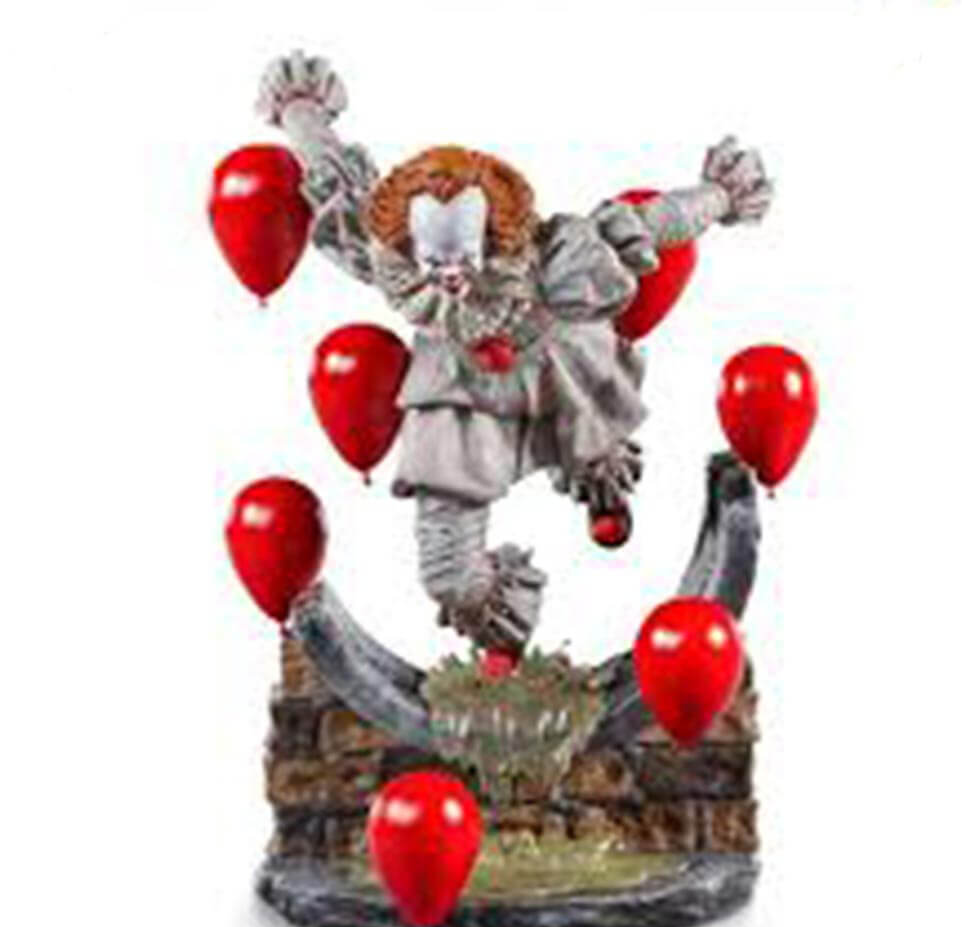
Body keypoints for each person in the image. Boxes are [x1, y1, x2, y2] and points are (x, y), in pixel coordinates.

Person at [257, 52, 774, 670]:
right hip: (459, 400)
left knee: (594, 448)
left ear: (495, 237)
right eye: (433, 259)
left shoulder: (558, 259)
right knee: (445, 569)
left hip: (559, 371)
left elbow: (654, 222)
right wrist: (301, 110)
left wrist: (720, 195)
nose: (450, 277)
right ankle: (500, 625)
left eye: (463, 256)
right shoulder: (395, 264)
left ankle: (600, 487)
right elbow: (339, 185)